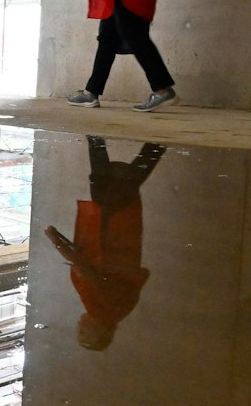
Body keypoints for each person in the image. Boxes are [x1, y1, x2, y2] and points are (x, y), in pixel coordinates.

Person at [45, 135, 163, 351]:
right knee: (121, 184)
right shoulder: (103, 311)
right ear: (97, 331)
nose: (78, 325)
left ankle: (102, 138)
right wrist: (56, 242)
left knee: (105, 184)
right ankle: (154, 142)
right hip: (111, 235)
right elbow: (85, 270)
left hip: (113, 234)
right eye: (82, 331)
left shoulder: (117, 311)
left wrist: (62, 242)